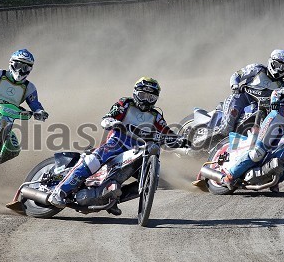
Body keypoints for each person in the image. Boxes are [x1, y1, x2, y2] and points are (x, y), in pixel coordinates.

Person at [48, 77, 186, 215]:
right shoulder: (125, 103)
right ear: (135, 93)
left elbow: (168, 133)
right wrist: (112, 122)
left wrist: (182, 141)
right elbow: (107, 117)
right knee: (93, 160)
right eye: (143, 95)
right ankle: (59, 192)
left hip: (140, 150)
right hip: (117, 142)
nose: (145, 100)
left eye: (150, 97)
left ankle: (111, 198)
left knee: (153, 181)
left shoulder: (156, 116)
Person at [194, 49, 284, 148]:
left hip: (260, 108)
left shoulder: (282, 85)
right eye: (277, 64)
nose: (280, 69)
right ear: (271, 61)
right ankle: (199, 143)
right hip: (241, 99)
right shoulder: (257, 69)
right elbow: (237, 75)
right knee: (226, 128)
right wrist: (234, 85)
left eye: (283, 67)